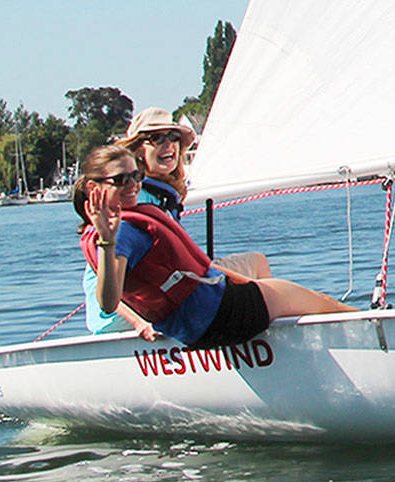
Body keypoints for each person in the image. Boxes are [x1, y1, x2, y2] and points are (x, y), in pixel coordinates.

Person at [77, 145, 354, 348]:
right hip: (227, 315)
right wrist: (108, 241)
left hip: (199, 329)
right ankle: (381, 336)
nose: (132, 185)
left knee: (285, 293)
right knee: (325, 304)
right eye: (120, 180)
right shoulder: (121, 231)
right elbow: (109, 302)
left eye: (136, 176)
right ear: (94, 187)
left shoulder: (118, 228)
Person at [82, 108, 267, 336]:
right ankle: (264, 335)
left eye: (174, 138)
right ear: (138, 151)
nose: (168, 144)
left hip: (151, 303)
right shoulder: (134, 200)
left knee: (252, 280)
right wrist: (139, 322)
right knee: (258, 267)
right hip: (125, 314)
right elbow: (107, 276)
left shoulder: (159, 196)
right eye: (156, 138)